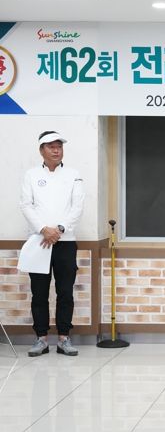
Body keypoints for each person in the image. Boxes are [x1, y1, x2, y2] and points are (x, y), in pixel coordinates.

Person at [19, 131, 85, 357]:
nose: (56, 150)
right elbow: (26, 205)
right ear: (41, 150)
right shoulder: (31, 175)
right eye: (51, 146)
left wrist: (59, 229)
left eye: (59, 146)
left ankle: (64, 338)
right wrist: (43, 229)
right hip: (39, 241)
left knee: (65, 292)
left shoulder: (73, 175)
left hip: (65, 242)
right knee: (39, 293)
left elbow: (77, 206)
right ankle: (41, 339)